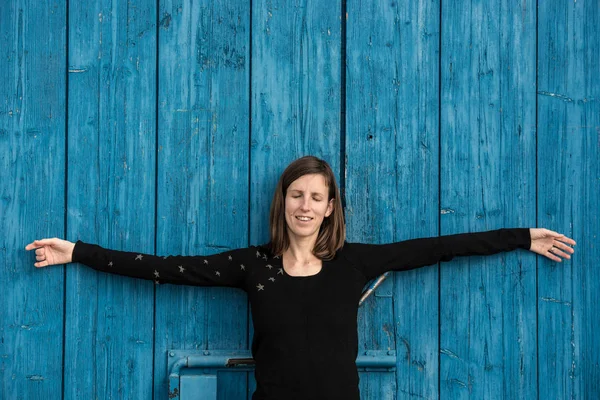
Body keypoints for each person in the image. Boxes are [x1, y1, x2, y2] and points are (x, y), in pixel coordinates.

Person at [26, 155, 575, 400]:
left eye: (316, 197)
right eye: (297, 195)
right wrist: (78, 252)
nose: (305, 206)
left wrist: (523, 236)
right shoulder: (252, 266)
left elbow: (442, 247)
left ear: (331, 207)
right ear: (283, 202)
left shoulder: (354, 265)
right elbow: (166, 269)